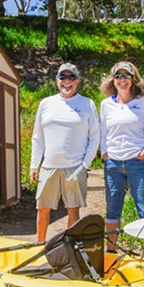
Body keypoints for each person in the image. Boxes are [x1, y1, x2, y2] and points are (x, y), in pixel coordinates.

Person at [30, 63, 100, 242]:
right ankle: (39, 246)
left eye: (71, 77)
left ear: (77, 81)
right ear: (57, 81)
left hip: (75, 167)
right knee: (43, 208)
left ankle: (71, 249)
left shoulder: (87, 104)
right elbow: (38, 137)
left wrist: (85, 165)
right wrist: (33, 165)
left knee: (73, 209)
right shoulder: (46, 103)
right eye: (63, 77)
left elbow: (95, 137)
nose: (66, 82)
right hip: (49, 167)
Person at [99, 61, 144, 252]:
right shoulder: (106, 105)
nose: (122, 80)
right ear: (113, 80)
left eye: (126, 76)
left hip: (137, 162)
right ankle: (111, 252)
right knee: (113, 208)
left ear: (133, 79)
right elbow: (103, 132)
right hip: (113, 163)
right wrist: (104, 153)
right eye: (118, 76)